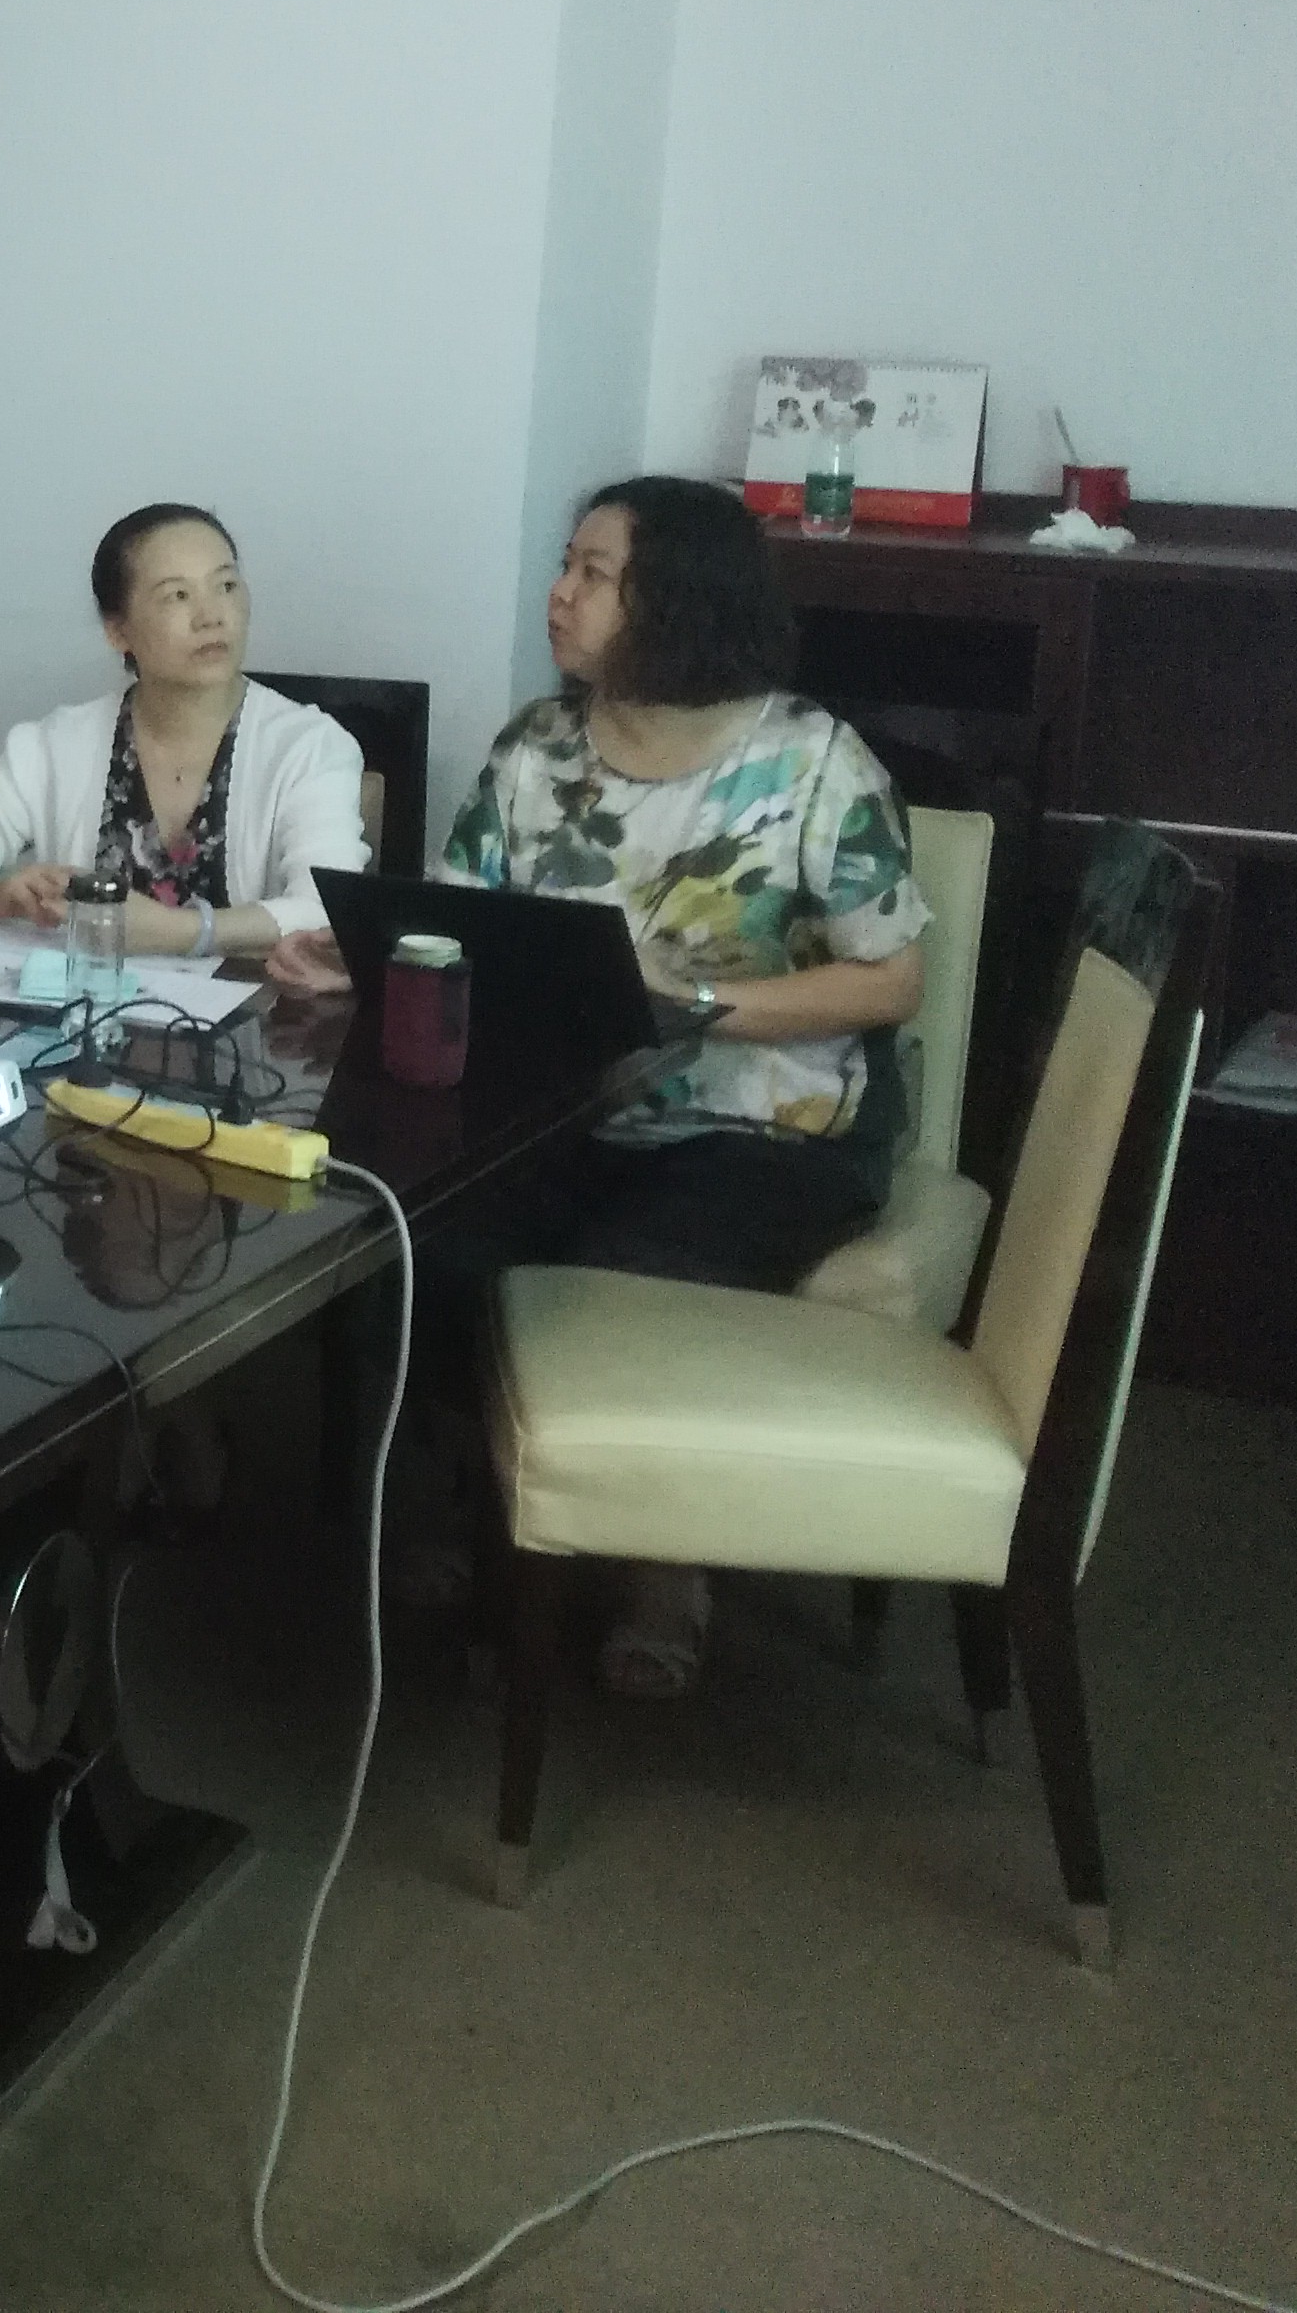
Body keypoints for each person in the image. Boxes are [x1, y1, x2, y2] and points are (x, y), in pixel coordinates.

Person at [306, 477, 928, 1693]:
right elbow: (463, 924)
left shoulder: (811, 763)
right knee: (416, 1241)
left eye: (592, 573)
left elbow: (890, 981)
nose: (558, 594)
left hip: (763, 1127)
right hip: (559, 1111)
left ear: (675, 600)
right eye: (565, 565)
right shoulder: (534, 749)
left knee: (618, 1278)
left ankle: (663, 1564)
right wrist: (349, 958)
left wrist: (690, 1001)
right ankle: (469, 1494)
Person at [0, 503, 368, 977]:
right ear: (118, 631)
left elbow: (328, 907)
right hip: (85, 1012)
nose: (211, 616)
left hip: (253, 1021)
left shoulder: (309, 746)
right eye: (178, 596)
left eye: (226, 586)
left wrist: (185, 931)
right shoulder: (54, 745)